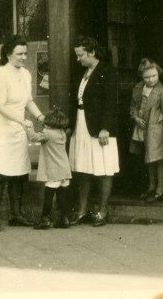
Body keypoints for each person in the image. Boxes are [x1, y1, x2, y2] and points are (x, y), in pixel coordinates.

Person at [0, 35, 46, 232]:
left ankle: (16, 215)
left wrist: (40, 117)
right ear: (8, 54)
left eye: (25, 53)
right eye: (19, 54)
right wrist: (21, 120)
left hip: (17, 130)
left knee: (18, 173)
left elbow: (28, 101)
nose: (24, 57)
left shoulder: (26, 74)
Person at [67, 36, 119, 227]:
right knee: (83, 168)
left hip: (99, 128)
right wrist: (70, 125)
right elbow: (76, 101)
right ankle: (82, 211)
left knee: (103, 168)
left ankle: (102, 212)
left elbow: (111, 102)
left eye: (80, 55)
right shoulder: (81, 72)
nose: (78, 59)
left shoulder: (107, 71)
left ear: (92, 52)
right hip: (81, 125)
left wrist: (106, 127)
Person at [129, 58, 163, 202]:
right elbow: (133, 106)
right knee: (149, 158)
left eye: (154, 76)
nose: (151, 79)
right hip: (142, 127)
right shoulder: (138, 88)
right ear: (141, 76)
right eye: (147, 77)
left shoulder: (162, 90)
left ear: (158, 74)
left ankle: (161, 189)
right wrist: (135, 117)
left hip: (156, 128)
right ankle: (152, 186)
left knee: (159, 158)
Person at [26, 107, 72, 230]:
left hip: (53, 171)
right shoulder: (62, 133)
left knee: (48, 196)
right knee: (62, 196)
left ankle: (44, 219)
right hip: (64, 170)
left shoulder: (47, 133)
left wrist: (29, 127)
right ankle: (64, 219)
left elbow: (33, 137)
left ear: (49, 123)